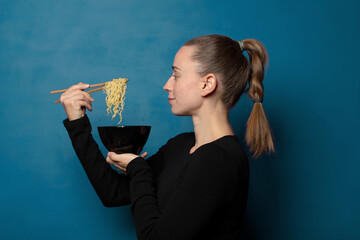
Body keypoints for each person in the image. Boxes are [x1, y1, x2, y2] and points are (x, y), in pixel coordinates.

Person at [60, 34, 274, 239]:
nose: (167, 85)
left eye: (176, 75)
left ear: (207, 84)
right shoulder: (181, 145)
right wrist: (78, 124)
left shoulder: (218, 159)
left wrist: (138, 169)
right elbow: (113, 193)